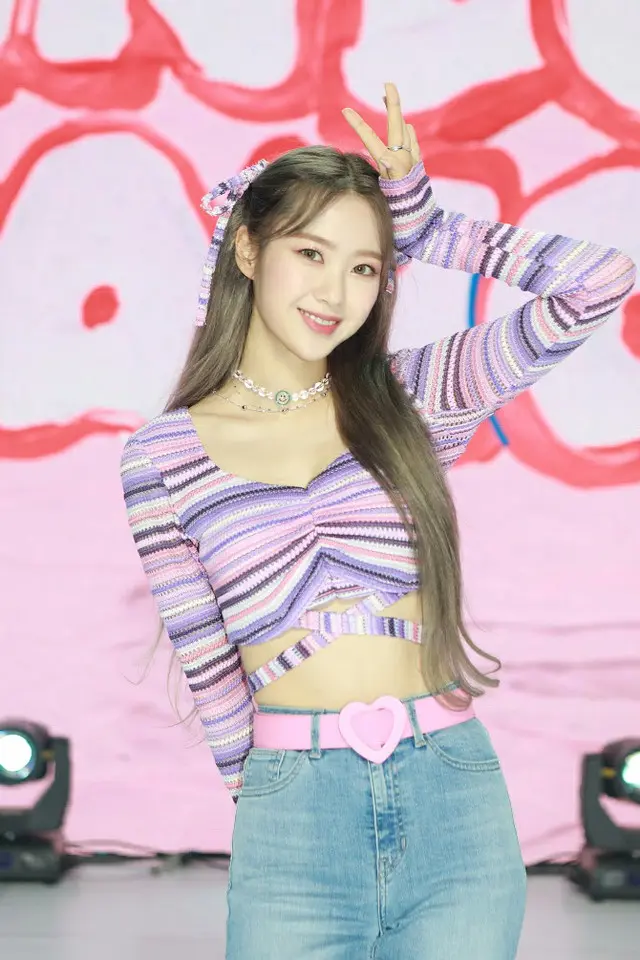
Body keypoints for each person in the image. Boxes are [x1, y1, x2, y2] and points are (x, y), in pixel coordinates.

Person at [119, 83, 636, 959]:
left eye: (365, 266)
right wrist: (276, 810)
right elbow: (209, 667)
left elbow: (599, 282)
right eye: (310, 253)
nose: (337, 290)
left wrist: (427, 227)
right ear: (247, 249)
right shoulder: (161, 457)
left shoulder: (416, 396)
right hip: (295, 815)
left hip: (452, 795)